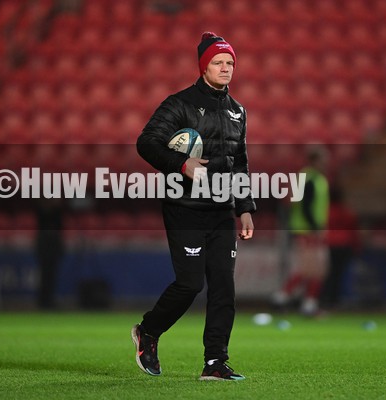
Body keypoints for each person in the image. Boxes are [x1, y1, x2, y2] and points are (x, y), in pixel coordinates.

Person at [133, 32, 255, 381]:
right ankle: (149, 331)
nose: (226, 68)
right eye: (218, 62)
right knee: (189, 285)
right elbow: (146, 142)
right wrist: (181, 164)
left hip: (221, 210)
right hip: (184, 206)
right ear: (203, 67)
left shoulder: (237, 111)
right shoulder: (180, 104)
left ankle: (215, 362)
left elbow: (240, 163)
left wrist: (244, 206)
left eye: (230, 62)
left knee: (223, 286)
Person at [271, 147, 329, 316]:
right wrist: (315, 228)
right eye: (322, 160)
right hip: (307, 230)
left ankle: (292, 299)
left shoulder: (311, 178)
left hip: (306, 229)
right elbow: (306, 207)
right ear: (314, 161)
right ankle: (289, 299)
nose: (325, 163)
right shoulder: (310, 180)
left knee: (313, 268)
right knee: (312, 268)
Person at [318, 185, 360, 312]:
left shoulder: (324, 212)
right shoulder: (348, 212)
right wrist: (357, 247)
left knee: (326, 274)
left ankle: (323, 300)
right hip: (344, 245)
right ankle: (334, 300)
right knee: (338, 274)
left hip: (329, 244)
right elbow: (354, 231)